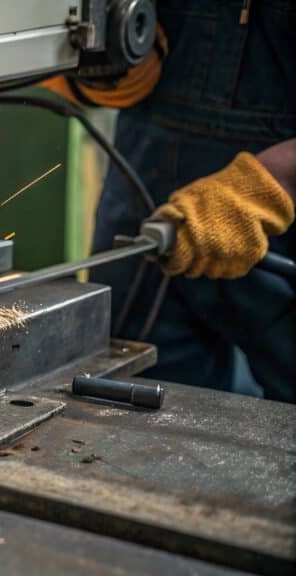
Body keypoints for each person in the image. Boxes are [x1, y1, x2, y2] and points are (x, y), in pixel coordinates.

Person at [44, 0, 295, 401]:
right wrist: (101, 57)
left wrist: (277, 181)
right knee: (120, 408)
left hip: (280, 208)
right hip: (148, 188)